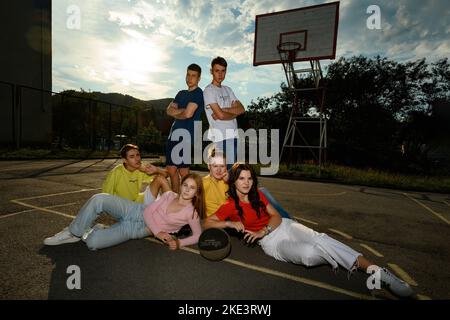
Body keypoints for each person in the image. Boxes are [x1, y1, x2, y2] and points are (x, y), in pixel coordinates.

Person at [204, 163, 415, 298]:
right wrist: (229, 224)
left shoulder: (258, 195)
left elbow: (276, 216)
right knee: (309, 255)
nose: (247, 182)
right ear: (234, 181)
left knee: (321, 239)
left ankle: (378, 272)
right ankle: (342, 261)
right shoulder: (230, 205)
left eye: (250, 178)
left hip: (280, 227)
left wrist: (262, 231)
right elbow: (207, 222)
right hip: (272, 244)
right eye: (242, 178)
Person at [43, 173, 205, 251]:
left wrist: (178, 243)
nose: (187, 190)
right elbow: (148, 211)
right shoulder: (170, 195)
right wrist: (158, 232)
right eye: (185, 185)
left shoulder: (191, 214)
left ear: (197, 192)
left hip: (137, 230)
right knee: (98, 199)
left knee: (93, 243)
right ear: (181, 185)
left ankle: (96, 229)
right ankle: (73, 231)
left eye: (192, 188)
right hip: (136, 211)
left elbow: (197, 235)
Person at [203, 147, 290, 218]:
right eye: (215, 166)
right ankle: (284, 219)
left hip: (236, 211)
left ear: (226, 167)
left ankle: (286, 218)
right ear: (209, 166)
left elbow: (247, 190)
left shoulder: (228, 179)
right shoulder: (203, 183)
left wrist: (230, 181)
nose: (219, 170)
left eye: (222, 166)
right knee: (260, 193)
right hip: (223, 217)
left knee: (262, 191)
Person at [165, 63, 205, 193]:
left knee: (174, 170)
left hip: (185, 136)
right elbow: (168, 111)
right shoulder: (180, 93)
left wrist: (179, 112)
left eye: (193, 76)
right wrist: (182, 112)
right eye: (188, 74)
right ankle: (186, 200)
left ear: (199, 78)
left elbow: (188, 114)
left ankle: (181, 200)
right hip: (173, 135)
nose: (190, 78)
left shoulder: (199, 93)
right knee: (182, 171)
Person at [203, 56, 245, 170]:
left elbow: (241, 109)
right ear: (211, 71)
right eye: (217, 71)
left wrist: (224, 110)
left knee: (231, 174)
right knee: (226, 173)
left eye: (223, 71)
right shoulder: (208, 90)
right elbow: (220, 116)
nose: (220, 74)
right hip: (221, 137)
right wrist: (228, 112)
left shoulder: (228, 89)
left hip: (234, 136)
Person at [103, 144, 170, 205]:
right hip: (122, 207)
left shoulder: (140, 169)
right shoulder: (117, 171)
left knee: (160, 179)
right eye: (132, 156)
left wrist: (157, 170)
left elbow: (166, 175)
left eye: (137, 155)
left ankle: (172, 209)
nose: (137, 159)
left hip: (137, 203)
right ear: (125, 160)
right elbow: (106, 194)